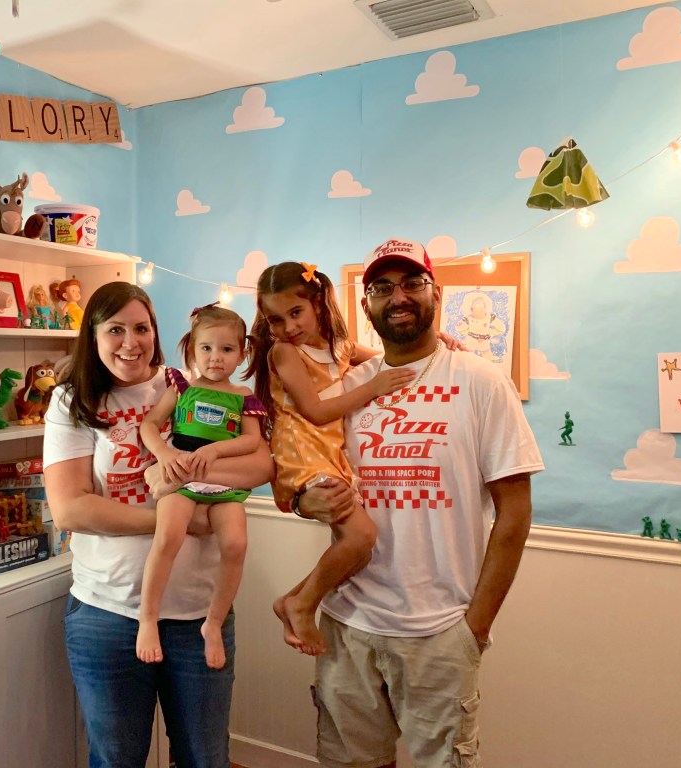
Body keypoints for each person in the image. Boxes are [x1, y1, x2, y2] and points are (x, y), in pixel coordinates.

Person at [297, 238, 544, 768]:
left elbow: (515, 512)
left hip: (441, 632)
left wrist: (475, 627)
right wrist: (303, 502)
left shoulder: (480, 380)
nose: (399, 297)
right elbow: (303, 468)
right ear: (366, 305)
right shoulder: (347, 388)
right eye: (382, 288)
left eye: (412, 283)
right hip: (347, 623)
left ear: (437, 292)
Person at [43, 282, 274, 768]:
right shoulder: (73, 400)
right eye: (115, 330)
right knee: (117, 759)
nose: (131, 343)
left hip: (196, 611)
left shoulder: (186, 383)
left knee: (205, 758)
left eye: (142, 328)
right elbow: (71, 511)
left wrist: (183, 476)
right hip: (108, 611)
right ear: (93, 335)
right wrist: (177, 519)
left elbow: (260, 466)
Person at [245, 261, 417, 656]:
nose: (288, 327)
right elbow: (316, 412)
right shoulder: (285, 352)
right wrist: (373, 387)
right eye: (275, 320)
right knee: (362, 535)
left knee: (358, 548)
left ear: (318, 302)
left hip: (328, 454)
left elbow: (390, 356)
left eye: (296, 312)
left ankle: (293, 599)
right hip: (301, 452)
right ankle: (303, 605)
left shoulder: (339, 347)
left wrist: (436, 340)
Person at [137, 304, 265, 669]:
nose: (215, 357)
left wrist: (217, 450)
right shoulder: (182, 387)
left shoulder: (243, 396)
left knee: (236, 544)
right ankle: (148, 618)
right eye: (206, 348)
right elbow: (149, 424)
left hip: (221, 479)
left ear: (242, 353)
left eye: (227, 349)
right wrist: (163, 454)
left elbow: (252, 441)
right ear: (192, 349)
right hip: (180, 473)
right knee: (168, 536)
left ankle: (214, 622)